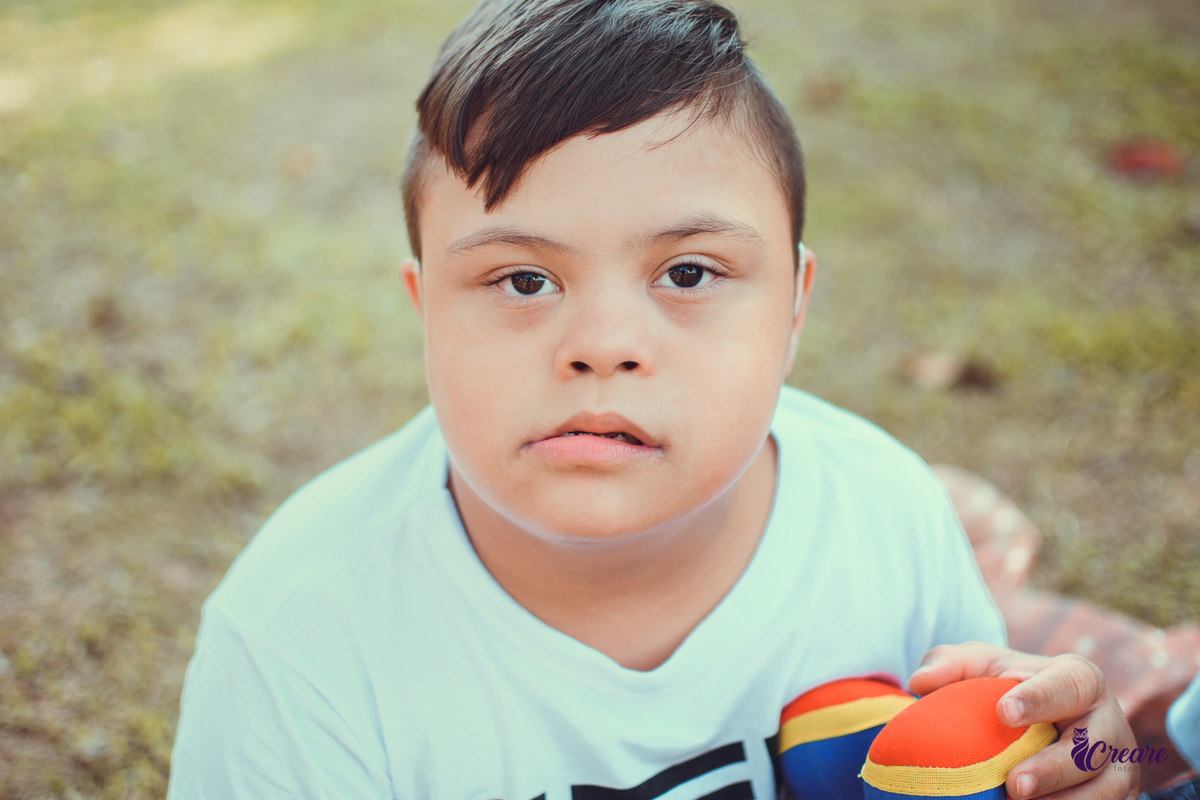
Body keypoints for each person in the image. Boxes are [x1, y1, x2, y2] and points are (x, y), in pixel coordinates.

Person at [167, 1, 1138, 798]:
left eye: (687, 271)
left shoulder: (886, 516)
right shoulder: (299, 635)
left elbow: (1045, 753)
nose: (603, 347)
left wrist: (1093, 759)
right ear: (425, 313)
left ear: (793, 308)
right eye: (522, 281)